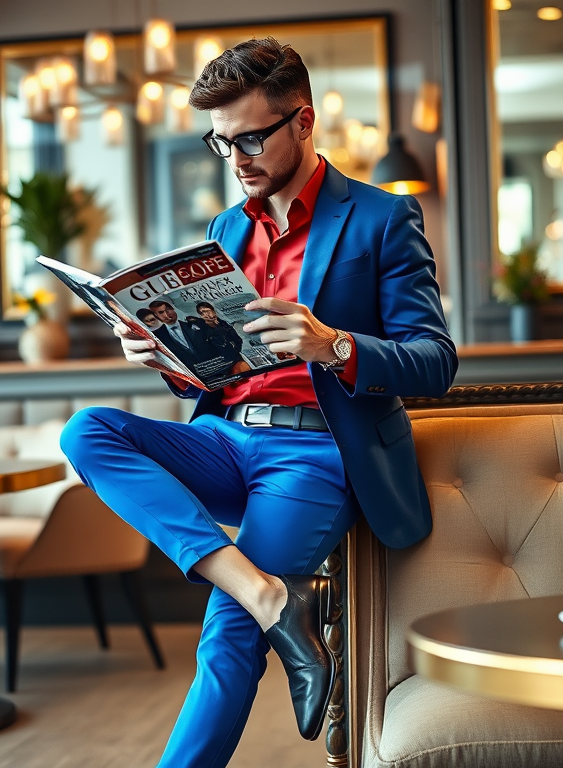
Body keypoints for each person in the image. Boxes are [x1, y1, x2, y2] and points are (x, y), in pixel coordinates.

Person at [60, 36, 456, 768]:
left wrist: (333, 344)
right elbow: (215, 373)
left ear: (302, 122)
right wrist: (164, 359)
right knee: (87, 432)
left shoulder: (380, 219)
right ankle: (272, 597)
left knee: (224, 631)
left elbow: (436, 362)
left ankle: (253, 610)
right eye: (220, 143)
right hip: (227, 437)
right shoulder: (226, 230)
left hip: (316, 452)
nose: (234, 159)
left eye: (249, 138)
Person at [148, 299, 211, 372]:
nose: (167, 314)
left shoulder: (195, 324)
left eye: (168, 309)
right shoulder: (157, 336)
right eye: (161, 312)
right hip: (190, 373)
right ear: (156, 316)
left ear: (173, 309)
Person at [193, 301, 245, 370]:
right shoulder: (200, 328)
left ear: (213, 311)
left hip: (235, 358)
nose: (206, 314)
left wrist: (236, 349)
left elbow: (237, 339)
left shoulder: (223, 323)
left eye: (207, 311)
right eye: (202, 313)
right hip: (219, 363)